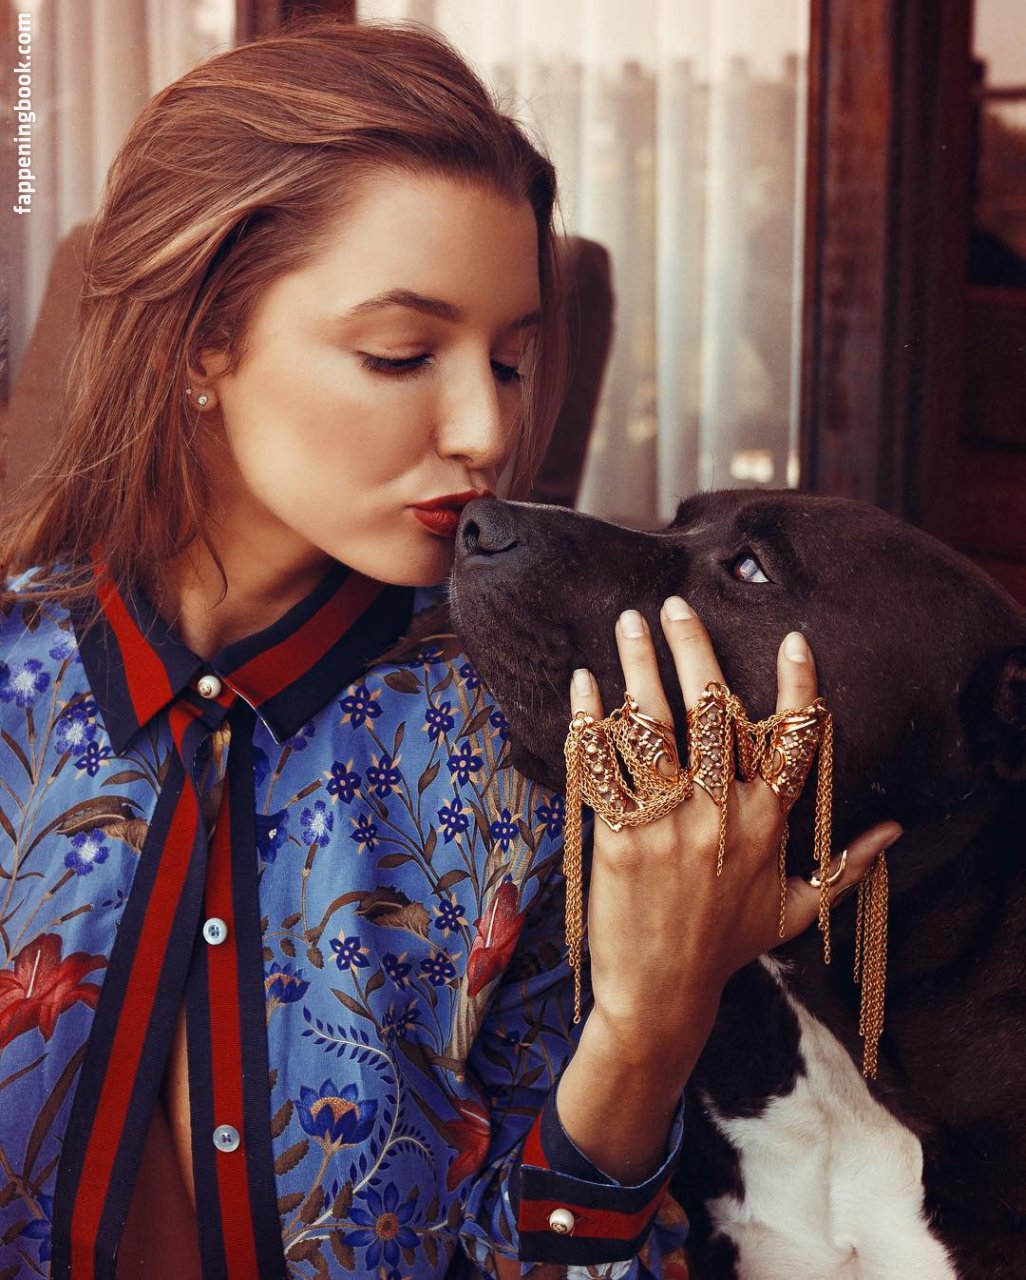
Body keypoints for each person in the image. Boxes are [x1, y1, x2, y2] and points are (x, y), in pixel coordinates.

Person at [0, 16, 900, 1279]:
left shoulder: (542, 748)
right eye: (401, 353)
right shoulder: (17, 682)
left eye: (513, 361)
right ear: (203, 339)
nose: (485, 427)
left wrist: (648, 1022)